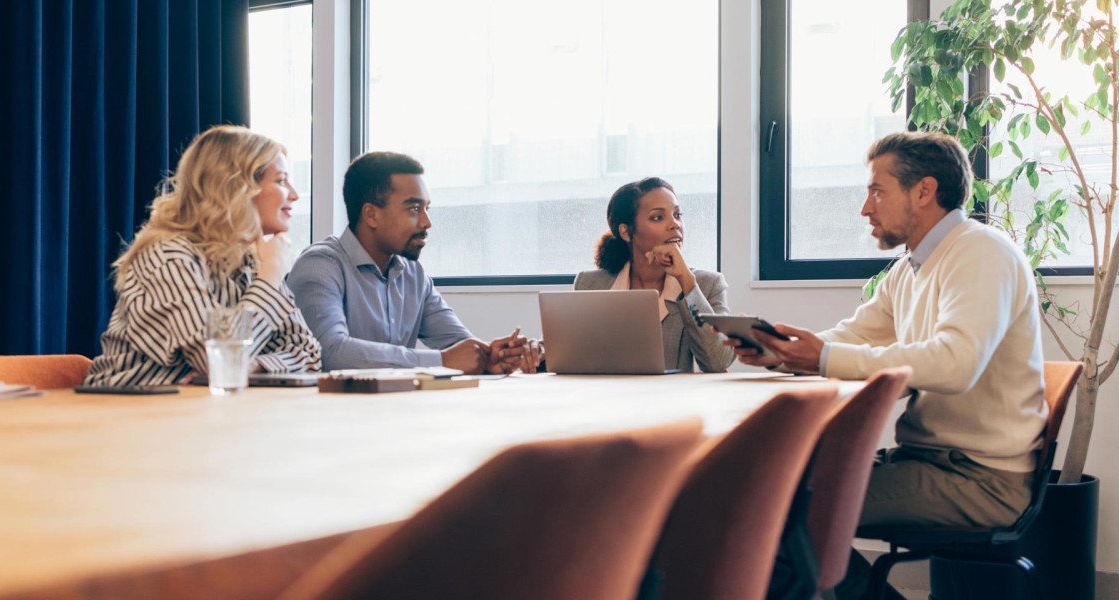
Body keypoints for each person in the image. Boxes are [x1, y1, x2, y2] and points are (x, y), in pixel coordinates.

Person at [727, 132, 1046, 599]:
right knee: (771, 490)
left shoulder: (981, 253)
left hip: (979, 479)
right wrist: (784, 352)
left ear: (924, 190)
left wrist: (823, 357)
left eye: (877, 190)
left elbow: (956, 363)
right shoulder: (910, 269)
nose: (865, 208)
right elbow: (853, 336)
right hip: (929, 462)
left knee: (774, 507)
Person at [84, 126, 323, 386]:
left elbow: (309, 354)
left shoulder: (253, 261)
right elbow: (214, 360)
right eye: (280, 181)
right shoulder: (168, 256)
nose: (294, 194)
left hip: (200, 413)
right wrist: (271, 275)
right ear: (237, 188)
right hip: (127, 413)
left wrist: (254, 366)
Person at [288, 151, 539, 374]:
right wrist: (441, 361)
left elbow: (459, 346)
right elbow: (330, 353)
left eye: (427, 208)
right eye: (414, 209)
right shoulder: (319, 266)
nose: (427, 223)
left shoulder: (412, 273)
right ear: (371, 215)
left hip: (398, 412)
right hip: (332, 418)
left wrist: (492, 356)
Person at [575, 177, 734, 373]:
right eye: (658, 217)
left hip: (673, 400)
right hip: (608, 398)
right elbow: (563, 349)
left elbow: (718, 360)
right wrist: (535, 353)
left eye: (678, 214)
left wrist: (686, 280)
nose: (675, 224)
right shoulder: (590, 284)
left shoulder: (707, 284)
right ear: (626, 232)